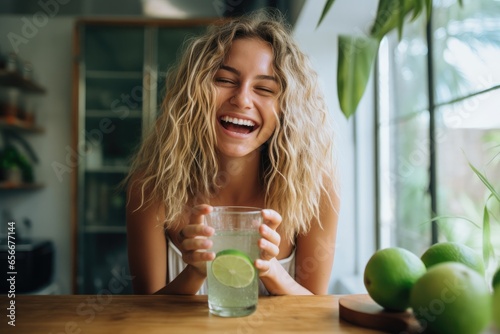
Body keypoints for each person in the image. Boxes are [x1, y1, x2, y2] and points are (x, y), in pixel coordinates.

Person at [125, 9, 340, 296]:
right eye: (225, 80)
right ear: (193, 94)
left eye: (264, 88)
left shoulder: (318, 189)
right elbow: (143, 314)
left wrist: (270, 270)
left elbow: (314, 314)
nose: (242, 99)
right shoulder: (149, 188)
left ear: (287, 110)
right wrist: (195, 272)